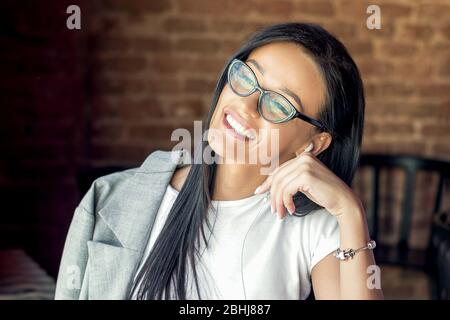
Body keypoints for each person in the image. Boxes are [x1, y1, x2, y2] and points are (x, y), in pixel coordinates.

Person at [55, 22, 384, 300]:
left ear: (314, 143)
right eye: (246, 78)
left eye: (280, 105)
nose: (246, 106)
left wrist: (349, 211)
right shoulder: (110, 198)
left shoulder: (313, 227)